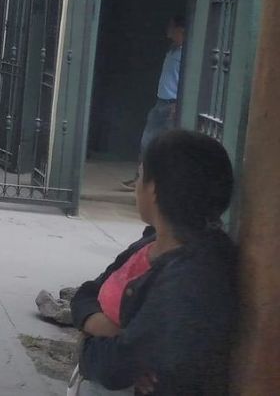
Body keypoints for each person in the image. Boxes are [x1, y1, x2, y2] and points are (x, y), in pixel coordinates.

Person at [69, 129, 237, 395]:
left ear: (155, 189)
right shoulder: (151, 242)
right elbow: (85, 294)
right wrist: (110, 330)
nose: (136, 186)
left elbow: (114, 368)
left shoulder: (193, 276)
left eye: (140, 175)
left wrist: (88, 344)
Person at [123, 16, 185, 189]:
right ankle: (141, 179)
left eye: (172, 27)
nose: (169, 30)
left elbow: (186, 80)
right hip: (161, 102)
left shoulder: (186, 54)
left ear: (181, 30)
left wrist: (178, 103)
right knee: (147, 142)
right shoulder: (173, 49)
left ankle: (163, 184)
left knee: (168, 146)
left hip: (172, 104)